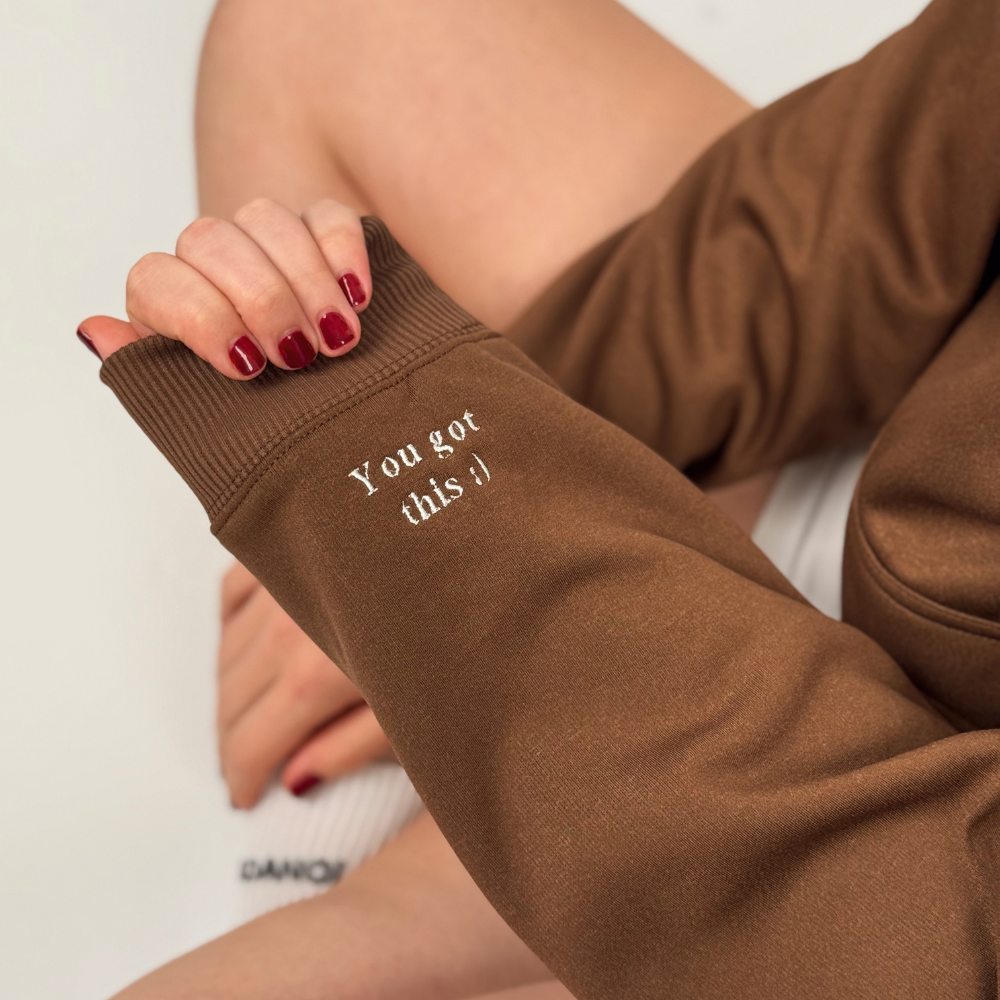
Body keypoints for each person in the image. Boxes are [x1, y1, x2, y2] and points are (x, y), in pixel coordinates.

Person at [82, 0, 1000, 996]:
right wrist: (469, 428)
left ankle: (469, 858)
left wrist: (470, 564)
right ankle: (471, 834)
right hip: (896, 496)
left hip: (893, 871)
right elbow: (907, 161)